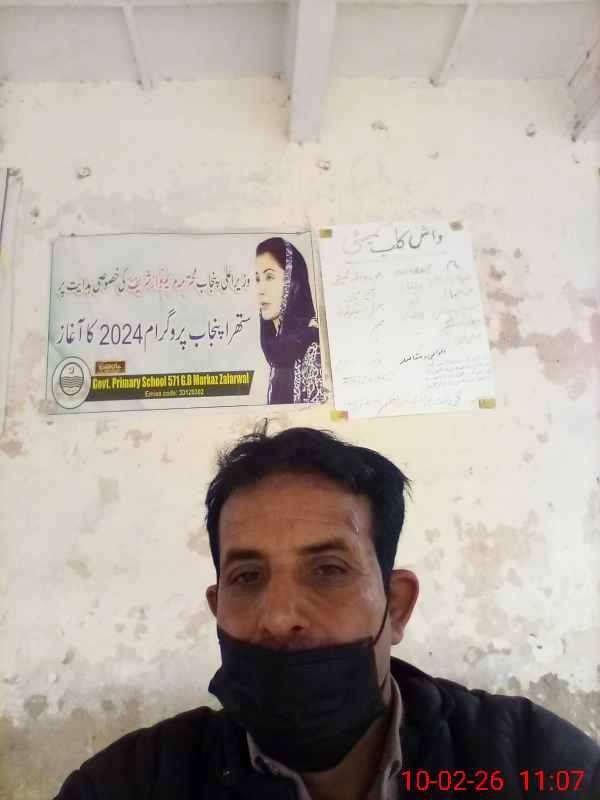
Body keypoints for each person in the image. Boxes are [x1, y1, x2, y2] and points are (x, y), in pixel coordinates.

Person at [54, 426, 600, 800]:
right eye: (248, 577)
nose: (279, 617)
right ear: (217, 609)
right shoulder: (129, 784)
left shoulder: (533, 765)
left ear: (397, 606)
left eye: (328, 571)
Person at [255, 237, 325, 405]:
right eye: (257, 279)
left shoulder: (313, 349)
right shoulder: (277, 349)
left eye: (269, 277)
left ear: (292, 282)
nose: (260, 290)